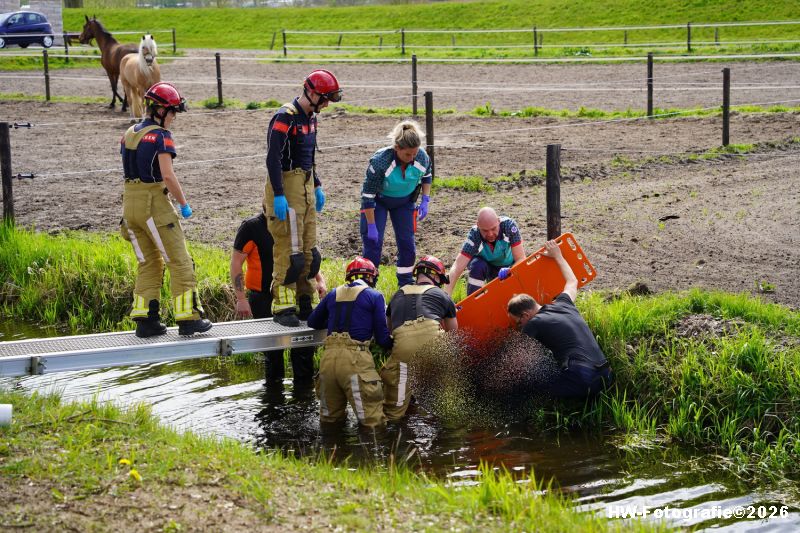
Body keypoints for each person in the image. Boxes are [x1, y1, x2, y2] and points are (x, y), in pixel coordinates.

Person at [119, 81, 212, 338]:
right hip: (154, 205)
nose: (173, 118)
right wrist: (184, 204)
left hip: (129, 206)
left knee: (148, 262)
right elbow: (168, 176)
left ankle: (146, 321)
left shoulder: (129, 133)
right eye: (172, 112)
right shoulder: (161, 136)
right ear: (160, 110)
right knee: (179, 260)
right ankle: (188, 319)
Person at [264, 69, 342, 327]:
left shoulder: (311, 118)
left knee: (309, 249)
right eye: (326, 98)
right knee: (289, 248)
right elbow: (272, 158)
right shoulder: (284, 117)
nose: (328, 104)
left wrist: (317, 184)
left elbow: (310, 156)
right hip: (287, 184)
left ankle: (306, 301)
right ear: (312, 92)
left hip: (306, 183)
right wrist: (278, 193)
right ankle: (283, 305)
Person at [506, 240, 612, 399]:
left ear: (526, 315)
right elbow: (572, 282)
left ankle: (526, 419)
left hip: (583, 379)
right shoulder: (564, 303)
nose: (519, 326)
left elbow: (517, 362)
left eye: (518, 322)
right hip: (606, 376)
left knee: (526, 382)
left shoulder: (533, 324)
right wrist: (558, 256)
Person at [230, 212, 328, 383]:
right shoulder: (251, 227)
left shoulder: (293, 224)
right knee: (273, 354)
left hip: (295, 295)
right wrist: (241, 299)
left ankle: (303, 400)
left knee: (303, 351)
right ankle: (273, 401)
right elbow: (236, 263)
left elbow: (306, 254)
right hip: (263, 297)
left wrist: (319, 280)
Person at [306, 257, 392, 427]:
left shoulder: (332, 294)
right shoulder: (374, 296)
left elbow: (312, 322)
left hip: (328, 362)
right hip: (355, 362)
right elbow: (382, 338)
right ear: (371, 277)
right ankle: (372, 453)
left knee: (330, 422)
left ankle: (331, 453)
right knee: (372, 424)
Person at [381, 255, 457, 421]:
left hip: (403, 351)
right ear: (436, 277)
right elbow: (454, 334)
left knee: (395, 410)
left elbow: (389, 328)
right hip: (434, 348)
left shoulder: (397, 295)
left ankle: (394, 437)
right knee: (444, 404)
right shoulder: (442, 295)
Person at [360, 120, 433, 287]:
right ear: (397, 148)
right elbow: (368, 196)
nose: (412, 157)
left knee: (407, 244)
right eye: (408, 154)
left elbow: (427, 175)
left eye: (414, 154)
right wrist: (371, 225)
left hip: (404, 202)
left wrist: (425, 200)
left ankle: (406, 285)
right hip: (378, 202)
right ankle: (368, 286)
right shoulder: (380, 162)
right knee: (373, 244)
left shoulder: (421, 156)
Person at [444, 207, 526, 296]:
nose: (490, 234)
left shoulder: (509, 226)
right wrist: (446, 297)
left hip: (510, 267)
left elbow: (521, 258)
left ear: (498, 221)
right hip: (488, 268)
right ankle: (474, 302)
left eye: (493, 229)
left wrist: (511, 270)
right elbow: (456, 268)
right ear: (478, 226)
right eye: (485, 231)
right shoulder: (474, 235)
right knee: (477, 265)